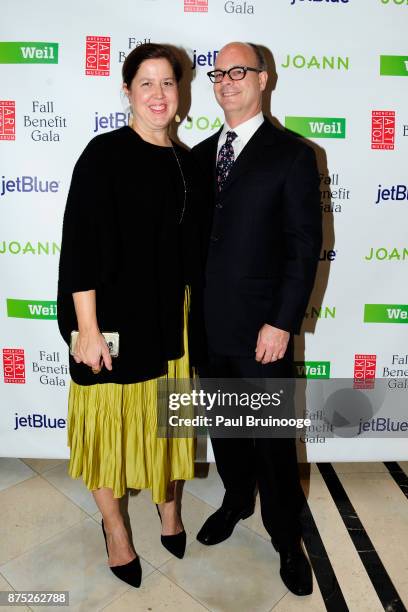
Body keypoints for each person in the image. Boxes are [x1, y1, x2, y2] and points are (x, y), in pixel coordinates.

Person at [57, 43, 204, 588]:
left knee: (164, 427)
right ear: (127, 90)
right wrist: (88, 329)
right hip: (111, 325)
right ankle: (115, 530)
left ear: (180, 92)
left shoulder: (187, 163)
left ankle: (169, 510)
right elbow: (79, 250)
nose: (159, 94)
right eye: (147, 83)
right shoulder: (103, 155)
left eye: (168, 83)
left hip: (169, 325)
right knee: (106, 435)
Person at [192, 42, 322, 596]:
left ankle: (286, 538)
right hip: (206, 328)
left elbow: (302, 248)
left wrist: (281, 322)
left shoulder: (293, 154)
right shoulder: (197, 155)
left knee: (272, 439)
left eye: (238, 71)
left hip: (263, 331)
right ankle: (236, 500)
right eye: (218, 73)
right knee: (225, 430)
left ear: (264, 80)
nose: (226, 81)